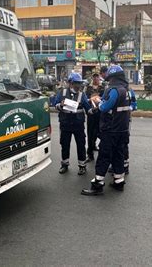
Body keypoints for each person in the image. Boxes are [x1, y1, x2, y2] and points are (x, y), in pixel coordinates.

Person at [81, 65, 131, 195]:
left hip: (111, 129)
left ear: (113, 77)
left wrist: (98, 102)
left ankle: (98, 185)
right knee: (118, 155)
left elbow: (105, 107)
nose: (108, 81)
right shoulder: (126, 90)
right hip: (122, 129)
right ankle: (119, 182)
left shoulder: (114, 90)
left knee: (104, 156)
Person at [54, 72, 92, 175]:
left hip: (78, 124)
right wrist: (60, 105)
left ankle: (82, 166)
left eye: (80, 83)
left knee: (81, 144)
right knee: (65, 144)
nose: (79, 86)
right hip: (65, 123)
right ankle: (64, 164)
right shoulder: (62, 92)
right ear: (70, 83)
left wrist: (93, 111)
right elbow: (55, 104)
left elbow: (87, 108)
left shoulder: (81, 94)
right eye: (76, 83)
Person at [85, 73, 105, 162]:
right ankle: (90, 154)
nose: (96, 78)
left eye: (97, 77)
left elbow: (105, 99)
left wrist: (99, 99)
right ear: (92, 78)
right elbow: (84, 99)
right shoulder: (88, 88)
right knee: (90, 134)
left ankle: (95, 146)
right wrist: (90, 100)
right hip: (91, 114)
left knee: (100, 133)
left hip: (100, 114)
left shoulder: (102, 88)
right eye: (94, 77)